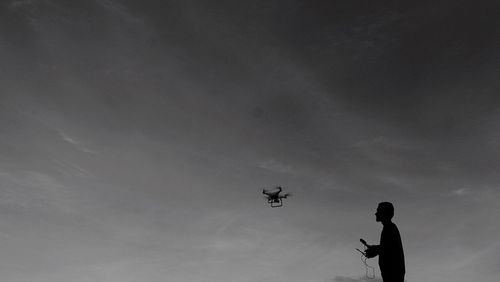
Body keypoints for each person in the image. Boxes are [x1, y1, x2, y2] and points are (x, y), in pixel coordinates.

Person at [364, 202, 405, 282]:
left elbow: (388, 249)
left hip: (393, 274)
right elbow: (387, 247)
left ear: (384, 213)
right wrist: (374, 249)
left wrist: (374, 250)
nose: (375, 213)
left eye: (378, 211)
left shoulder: (389, 228)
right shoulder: (389, 228)